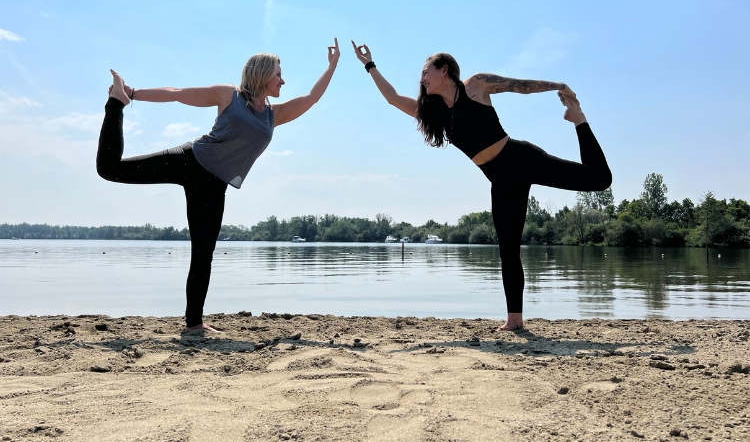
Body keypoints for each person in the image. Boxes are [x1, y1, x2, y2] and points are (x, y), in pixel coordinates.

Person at [351, 41, 611, 331]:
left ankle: (578, 120)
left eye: (426, 72)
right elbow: (391, 98)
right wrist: (369, 65)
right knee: (508, 249)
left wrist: (558, 85)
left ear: (444, 70)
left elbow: (519, 85)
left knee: (600, 180)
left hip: (521, 158)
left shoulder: (475, 86)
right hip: (500, 180)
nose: (421, 79)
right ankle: (514, 320)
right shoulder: (435, 112)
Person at [97, 39, 341, 332]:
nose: (283, 80)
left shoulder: (273, 116)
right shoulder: (230, 96)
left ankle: (194, 324)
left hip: (215, 186)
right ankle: (117, 104)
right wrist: (133, 93)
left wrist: (332, 66)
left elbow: (312, 97)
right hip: (189, 160)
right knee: (109, 169)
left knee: (203, 252)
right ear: (263, 74)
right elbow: (178, 94)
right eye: (279, 74)